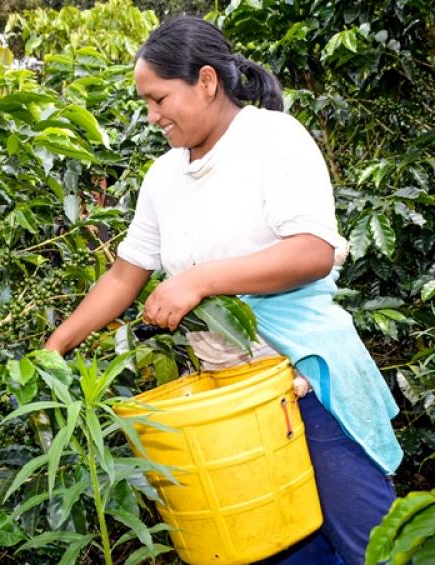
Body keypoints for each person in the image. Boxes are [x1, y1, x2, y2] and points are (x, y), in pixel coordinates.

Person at [44, 15, 402, 565]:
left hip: (300, 378)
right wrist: (55, 347)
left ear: (207, 81)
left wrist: (198, 280)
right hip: (229, 396)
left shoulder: (271, 139)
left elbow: (312, 250)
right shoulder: (163, 177)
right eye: (146, 102)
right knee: (267, 543)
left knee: (367, 542)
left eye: (159, 98)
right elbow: (124, 275)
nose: (152, 115)